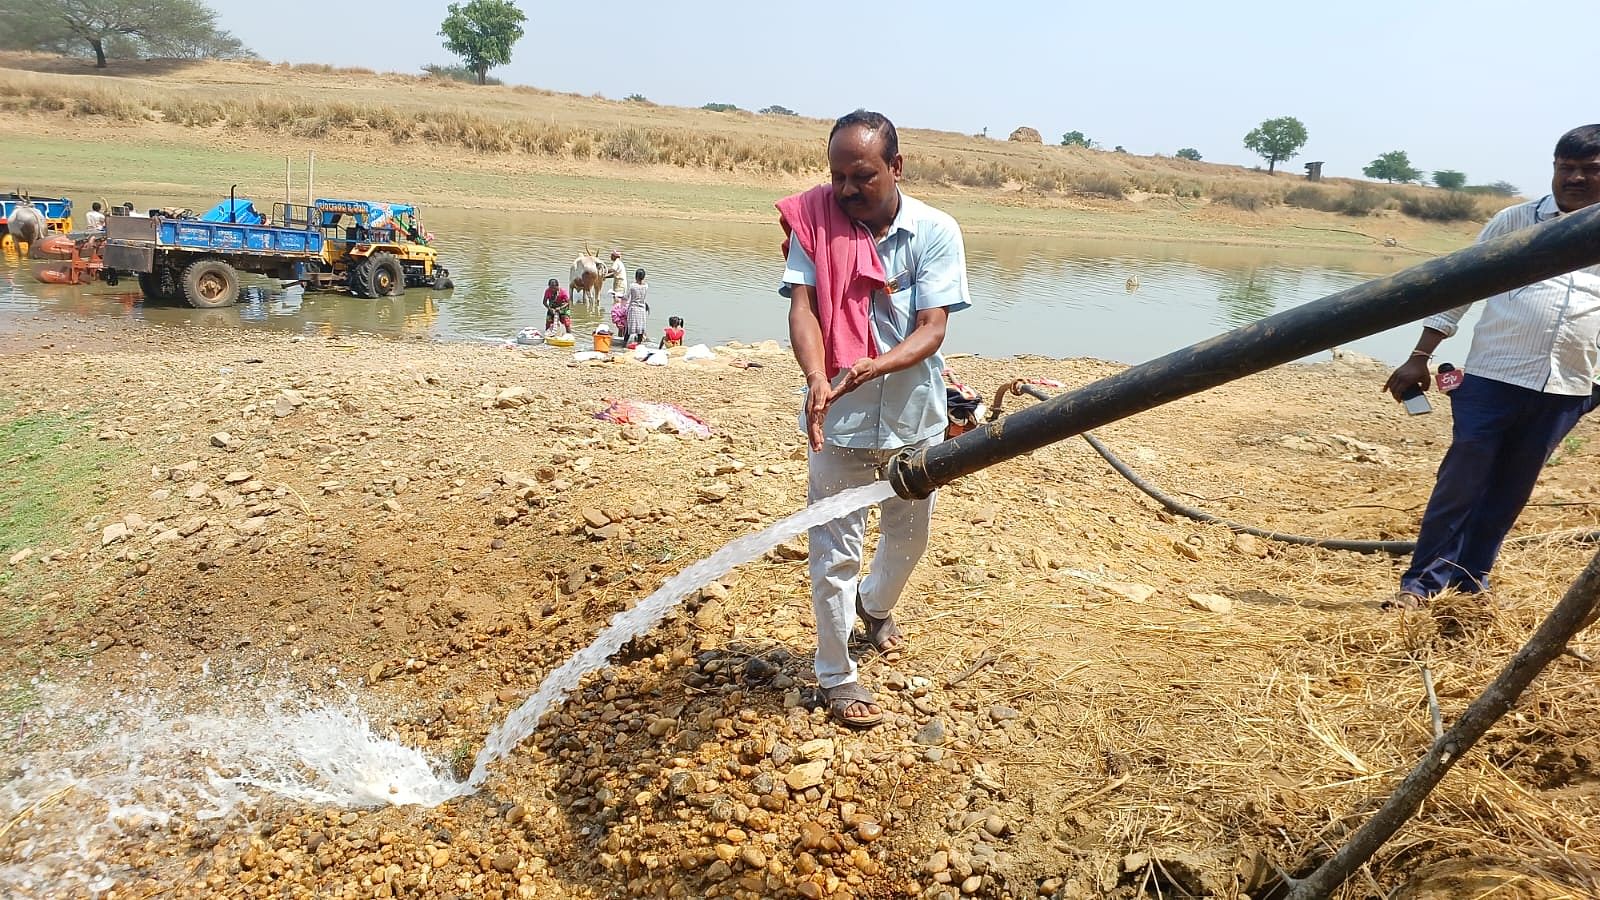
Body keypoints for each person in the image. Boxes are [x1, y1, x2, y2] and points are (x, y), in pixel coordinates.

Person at [779, 109, 971, 728]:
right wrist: (818, 378)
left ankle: (876, 605)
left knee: (909, 538)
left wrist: (876, 366)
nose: (845, 191)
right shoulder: (816, 223)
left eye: (861, 176)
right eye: (836, 176)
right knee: (834, 550)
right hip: (839, 418)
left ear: (896, 167)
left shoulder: (936, 231)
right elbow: (804, 311)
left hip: (915, 419)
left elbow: (932, 329)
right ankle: (836, 674)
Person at [1382, 124, 1600, 611]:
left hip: (1569, 385)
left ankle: (1470, 580)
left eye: (1590, 170)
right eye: (1566, 168)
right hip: (1493, 378)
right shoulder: (1516, 221)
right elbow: (1459, 287)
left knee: (1510, 490)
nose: (1576, 178)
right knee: (1462, 482)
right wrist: (1421, 356)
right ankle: (1420, 585)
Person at [625, 268, 650, 346]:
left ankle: (624, 343)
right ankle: (639, 344)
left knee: (629, 328)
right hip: (642, 308)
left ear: (636, 276)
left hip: (633, 308)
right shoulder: (646, 286)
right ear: (643, 277)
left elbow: (626, 297)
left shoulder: (632, 286)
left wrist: (616, 295)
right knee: (640, 329)